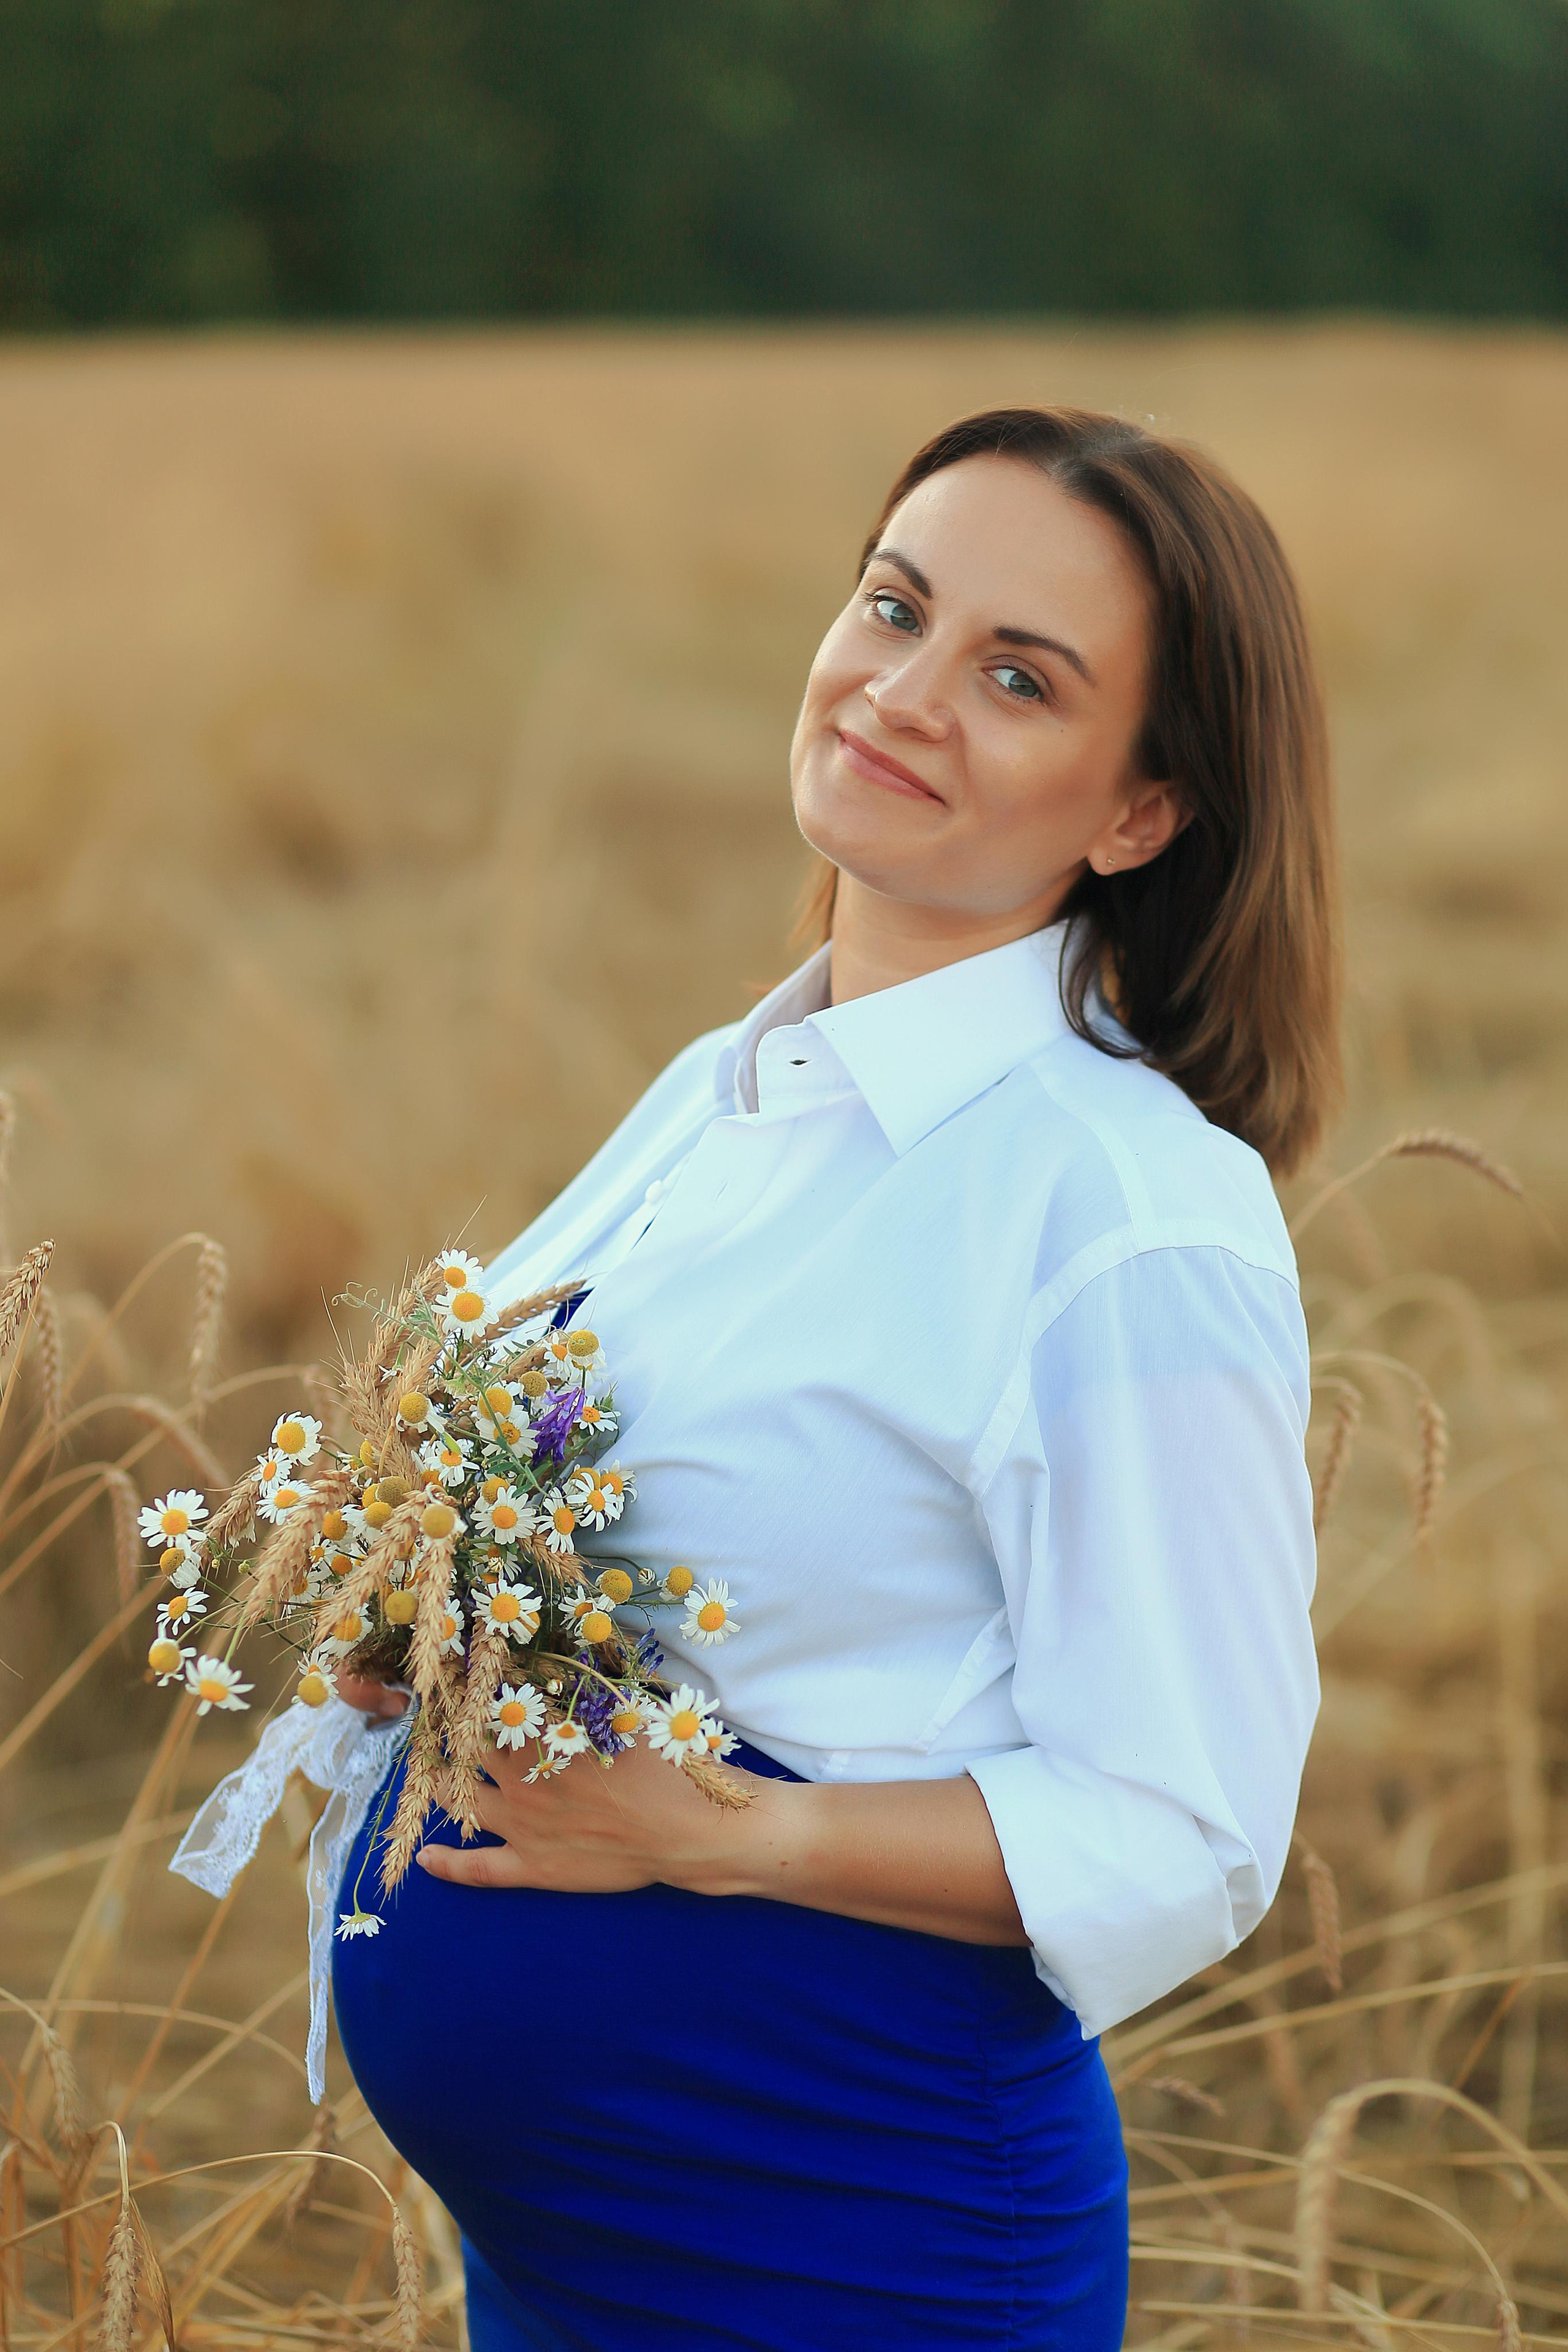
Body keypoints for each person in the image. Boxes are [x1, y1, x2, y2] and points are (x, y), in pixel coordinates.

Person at [331, 405, 1336, 2350]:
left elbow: (1193, 1826)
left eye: (1018, 677)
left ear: (1138, 813)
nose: (904, 693)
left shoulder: (1128, 1219)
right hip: (571, 2256)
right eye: (895, 607)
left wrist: (728, 1832)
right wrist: (419, 1623)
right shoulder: (729, 1087)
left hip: (842, 2229)